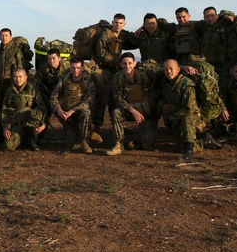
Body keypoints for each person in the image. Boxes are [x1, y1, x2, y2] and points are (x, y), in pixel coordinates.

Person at [91, 13, 134, 142]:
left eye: (120, 23)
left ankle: (117, 126)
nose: (118, 25)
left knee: (115, 98)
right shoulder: (105, 34)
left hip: (116, 70)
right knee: (102, 98)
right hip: (104, 71)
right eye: (116, 22)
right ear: (112, 22)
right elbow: (100, 53)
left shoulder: (122, 35)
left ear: (124, 24)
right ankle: (96, 128)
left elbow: (133, 39)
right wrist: (117, 59)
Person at [109, 53, 158, 155]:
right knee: (116, 112)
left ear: (135, 63)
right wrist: (132, 110)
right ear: (121, 65)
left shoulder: (145, 74)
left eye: (130, 63)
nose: (127, 66)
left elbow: (164, 70)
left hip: (147, 112)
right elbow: (118, 98)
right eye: (124, 63)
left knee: (147, 145)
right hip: (131, 111)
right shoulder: (118, 78)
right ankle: (118, 144)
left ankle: (135, 139)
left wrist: (183, 67)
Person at [158, 59, 201, 160]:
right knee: (180, 145)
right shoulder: (166, 84)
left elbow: (189, 108)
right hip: (177, 116)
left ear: (178, 70)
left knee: (187, 120)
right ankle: (203, 141)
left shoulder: (186, 84)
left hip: (192, 117)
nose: (169, 72)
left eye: (171, 69)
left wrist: (173, 117)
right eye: (166, 69)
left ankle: (189, 149)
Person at [51, 58, 96, 153]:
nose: (75, 70)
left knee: (86, 112)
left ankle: (85, 141)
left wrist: (72, 111)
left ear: (83, 68)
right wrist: (59, 110)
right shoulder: (65, 78)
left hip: (79, 112)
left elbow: (88, 101)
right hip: (66, 113)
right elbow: (54, 95)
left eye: (78, 68)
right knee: (70, 143)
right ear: (70, 68)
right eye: (73, 68)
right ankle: (80, 133)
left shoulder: (88, 81)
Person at [0, 28, 33, 116]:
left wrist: (19, 83)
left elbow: (20, 67)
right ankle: (1, 129)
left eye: (6, 35)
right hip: (0, 83)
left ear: (10, 37)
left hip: (13, 83)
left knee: (13, 107)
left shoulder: (16, 50)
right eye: (2, 35)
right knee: (0, 107)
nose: (4, 38)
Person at [0, 68, 47, 151]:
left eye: (20, 77)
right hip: (17, 123)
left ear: (26, 77)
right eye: (15, 77)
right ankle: (21, 138)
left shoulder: (33, 90)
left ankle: (32, 140)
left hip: (31, 124)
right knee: (7, 146)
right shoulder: (9, 91)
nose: (18, 79)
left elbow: (42, 107)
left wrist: (44, 124)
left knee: (35, 114)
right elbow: (4, 110)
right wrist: (5, 128)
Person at [200, 7, 237, 86]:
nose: (210, 18)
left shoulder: (226, 28)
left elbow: (233, 48)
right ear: (204, 18)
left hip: (224, 66)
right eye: (207, 16)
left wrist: (232, 66)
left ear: (217, 16)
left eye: (212, 15)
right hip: (209, 67)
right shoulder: (205, 30)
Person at [34, 49, 70, 117]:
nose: (51, 61)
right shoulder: (44, 68)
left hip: (63, 93)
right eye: (49, 59)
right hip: (48, 92)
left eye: (53, 58)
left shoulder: (67, 68)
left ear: (59, 59)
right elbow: (36, 81)